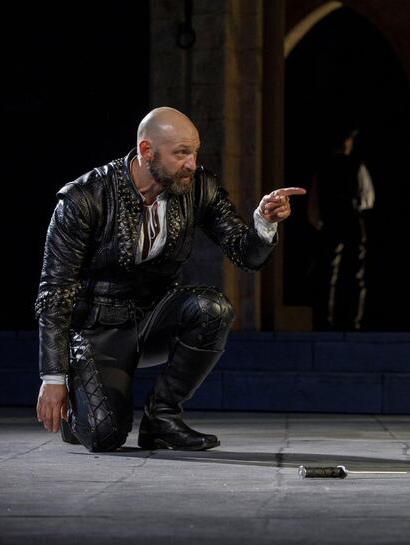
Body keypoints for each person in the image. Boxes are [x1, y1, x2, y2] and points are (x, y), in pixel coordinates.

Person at [35, 107, 305, 452]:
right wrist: (53, 377)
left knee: (212, 309)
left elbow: (244, 253)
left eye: (194, 152)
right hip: (97, 330)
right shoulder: (84, 198)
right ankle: (82, 405)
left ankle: (162, 418)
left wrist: (264, 222)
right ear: (147, 151)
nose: (192, 163)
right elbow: (55, 291)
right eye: (181, 153)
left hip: (153, 319)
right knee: (105, 436)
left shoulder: (197, 186)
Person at [308, 127, 374, 330]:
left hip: (331, 223)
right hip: (351, 221)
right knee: (354, 273)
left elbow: (314, 205)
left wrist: (320, 222)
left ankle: (325, 321)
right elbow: (367, 198)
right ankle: (353, 321)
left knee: (328, 273)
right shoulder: (356, 165)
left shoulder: (323, 167)